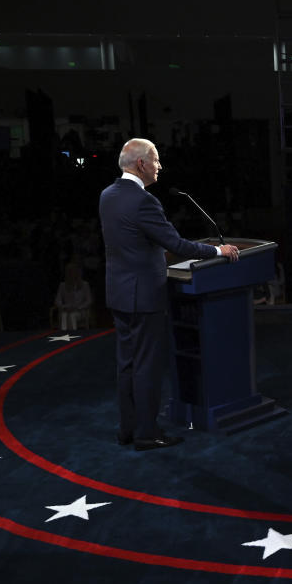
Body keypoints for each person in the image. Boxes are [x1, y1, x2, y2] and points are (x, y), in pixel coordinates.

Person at [99, 138, 240, 451]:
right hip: (144, 296)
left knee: (127, 365)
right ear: (141, 164)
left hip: (119, 293)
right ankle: (147, 434)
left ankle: (128, 430)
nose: (160, 166)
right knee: (146, 365)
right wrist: (218, 249)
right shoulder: (143, 201)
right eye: (157, 160)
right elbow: (176, 244)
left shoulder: (107, 196)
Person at [54, 261, 92, 330]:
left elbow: (89, 300)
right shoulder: (62, 285)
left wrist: (79, 307)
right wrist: (64, 307)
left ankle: (73, 335)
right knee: (64, 315)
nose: (71, 273)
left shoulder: (85, 284)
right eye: (69, 272)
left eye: (73, 271)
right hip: (66, 309)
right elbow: (57, 300)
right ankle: (64, 334)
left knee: (72, 315)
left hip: (80, 310)